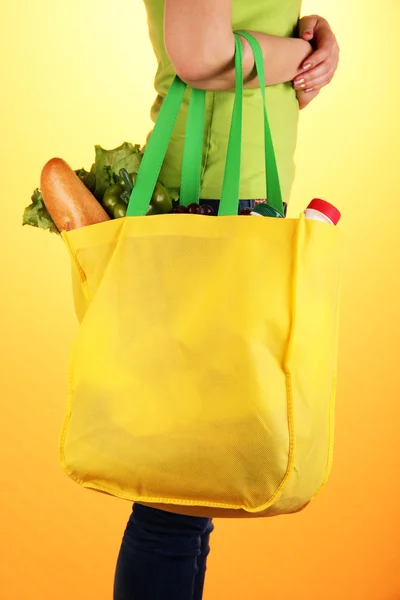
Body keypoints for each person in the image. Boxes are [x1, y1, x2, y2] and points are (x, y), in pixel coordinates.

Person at [113, 2, 340, 599]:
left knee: (192, 489)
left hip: (231, 190)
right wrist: (303, 57)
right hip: (210, 191)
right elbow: (202, 56)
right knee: (174, 500)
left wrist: (316, 40)